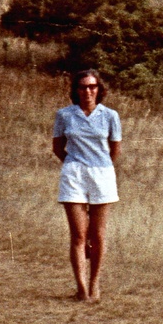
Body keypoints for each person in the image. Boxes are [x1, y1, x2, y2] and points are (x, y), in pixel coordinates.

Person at [52, 69, 122, 302]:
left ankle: (95, 285)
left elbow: (114, 150)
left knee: (98, 235)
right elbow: (57, 147)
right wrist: (75, 163)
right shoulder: (64, 115)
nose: (87, 91)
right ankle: (81, 289)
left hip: (102, 175)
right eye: (82, 87)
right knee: (78, 236)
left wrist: (98, 167)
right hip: (74, 175)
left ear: (99, 90)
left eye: (92, 87)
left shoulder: (110, 116)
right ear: (76, 90)